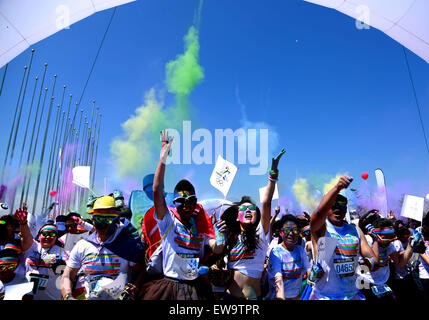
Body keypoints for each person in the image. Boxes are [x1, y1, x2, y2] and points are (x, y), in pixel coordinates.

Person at [138, 130, 222, 300]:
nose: (186, 205)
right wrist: (163, 158)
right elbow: (156, 191)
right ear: (174, 202)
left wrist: (220, 238)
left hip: (196, 289)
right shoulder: (169, 221)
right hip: (169, 289)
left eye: (191, 200)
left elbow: (216, 247)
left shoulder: (200, 229)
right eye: (181, 201)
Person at [220, 149, 285, 300]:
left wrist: (273, 175)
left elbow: (266, 202)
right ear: (237, 217)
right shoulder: (230, 238)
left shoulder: (261, 236)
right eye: (243, 209)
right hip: (230, 299)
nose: (248, 210)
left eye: (252, 209)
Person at [61, 195, 145, 300]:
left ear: (117, 219)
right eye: (98, 219)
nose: (103, 224)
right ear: (92, 219)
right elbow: (67, 276)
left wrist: (135, 286)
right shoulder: (83, 245)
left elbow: (142, 272)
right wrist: (68, 296)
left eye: (108, 219)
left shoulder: (128, 244)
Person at [309, 175, 378, 300]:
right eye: (333, 205)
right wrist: (338, 187)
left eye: (342, 206)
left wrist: (367, 263)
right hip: (325, 296)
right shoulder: (322, 228)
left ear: (346, 210)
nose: (338, 209)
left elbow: (374, 261)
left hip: (352, 295)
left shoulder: (355, 230)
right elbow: (318, 213)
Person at [15, 203, 68, 300]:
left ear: (56, 237)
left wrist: (61, 267)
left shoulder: (62, 251)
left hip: (50, 297)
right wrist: (23, 223)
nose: (47, 236)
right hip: (27, 296)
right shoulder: (33, 246)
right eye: (44, 234)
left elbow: (67, 273)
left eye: (52, 234)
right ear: (39, 236)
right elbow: (26, 236)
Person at [358, 211, 414, 301]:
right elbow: (372, 267)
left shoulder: (390, 245)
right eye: (386, 237)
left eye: (392, 237)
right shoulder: (366, 242)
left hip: (384, 282)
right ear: (376, 234)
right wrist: (375, 241)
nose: (390, 241)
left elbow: (400, 264)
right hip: (365, 282)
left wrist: (410, 246)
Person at [267, 214, 311, 300]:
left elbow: (309, 270)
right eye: (287, 230)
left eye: (295, 231)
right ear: (281, 232)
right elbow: (278, 281)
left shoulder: (300, 250)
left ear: (299, 233)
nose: (291, 234)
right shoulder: (276, 252)